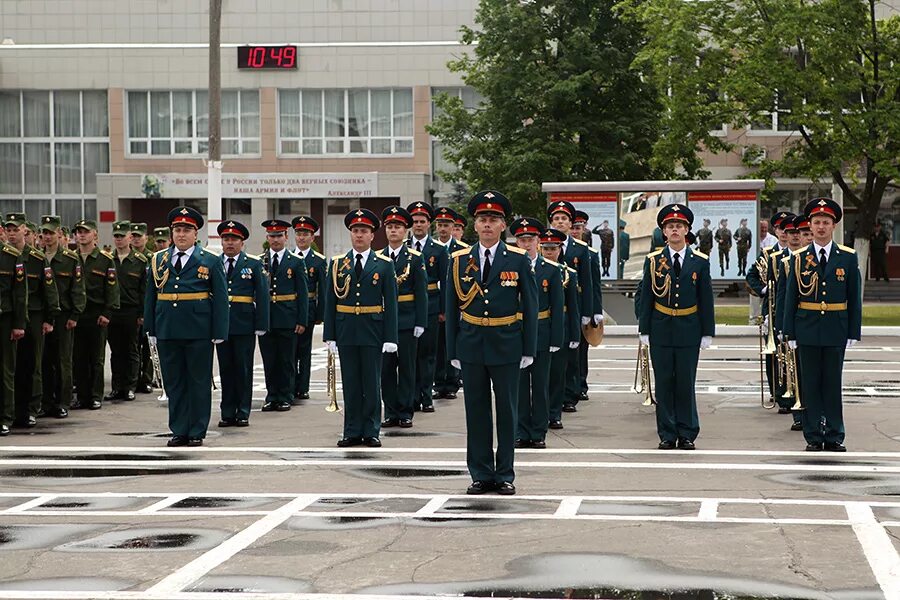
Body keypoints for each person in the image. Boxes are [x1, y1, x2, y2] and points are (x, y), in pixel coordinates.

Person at [446, 191, 537, 495]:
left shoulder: (519, 259)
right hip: (471, 344)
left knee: (508, 411)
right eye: (483, 219)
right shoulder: (459, 260)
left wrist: (528, 348)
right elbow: (449, 309)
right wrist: (453, 350)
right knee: (476, 410)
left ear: (503, 226)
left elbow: (531, 307)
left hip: (507, 343)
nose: (487, 225)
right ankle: (481, 473)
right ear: (475, 225)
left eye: (493, 220)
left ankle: (505, 473)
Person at [144, 207, 229, 447]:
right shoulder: (158, 259)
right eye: (177, 230)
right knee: (175, 382)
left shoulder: (209, 260)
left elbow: (221, 298)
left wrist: (219, 331)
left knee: (199, 381)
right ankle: (179, 428)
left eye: (186, 230)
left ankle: (196, 430)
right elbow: (150, 296)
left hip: (198, 329)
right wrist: (150, 328)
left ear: (195, 233)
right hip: (168, 328)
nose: (181, 235)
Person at [783, 198, 862, 452]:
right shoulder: (798, 258)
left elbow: (854, 297)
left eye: (825, 222)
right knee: (811, 384)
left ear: (834, 225)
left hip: (835, 329)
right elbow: (790, 298)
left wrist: (853, 330)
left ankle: (835, 434)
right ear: (810, 225)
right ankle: (814, 435)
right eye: (816, 222)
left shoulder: (847, 257)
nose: (820, 227)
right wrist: (789, 331)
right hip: (806, 327)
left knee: (832, 384)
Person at [638, 203, 715, 450]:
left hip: (689, 327)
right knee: (664, 382)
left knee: (685, 382)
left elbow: (706, 298)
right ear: (663, 232)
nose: (674, 230)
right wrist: (644, 330)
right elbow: (647, 297)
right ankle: (667, 433)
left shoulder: (700, 261)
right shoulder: (653, 260)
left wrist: (707, 331)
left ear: (687, 230)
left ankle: (688, 432)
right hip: (661, 327)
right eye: (670, 226)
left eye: (679, 226)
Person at [323, 208, 399, 448]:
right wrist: (330, 335)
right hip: (346, 330)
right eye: (355, 231)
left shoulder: (384, 265)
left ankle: (371, 429)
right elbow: (330, 302)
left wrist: (391, 336)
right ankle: (351, 430)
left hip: (372, 330)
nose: (359, 235)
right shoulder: (337, 264)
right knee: (351, 383)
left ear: (372, 236)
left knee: (371, 382)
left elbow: (391, 303)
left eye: (363, 231)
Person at [512, 218, 563, 449]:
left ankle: (539, 431)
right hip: (517, 331)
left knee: (541, 385)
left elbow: (557, 307)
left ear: (538, 242)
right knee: (519, 386)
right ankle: (522, 430)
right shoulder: (509, 267)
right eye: (522, 240)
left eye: (530, 239)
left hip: (542, 331)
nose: (526, 244)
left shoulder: (552, 269)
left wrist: (556, 338)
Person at [7, 213, 60, 427]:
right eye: (8, 230)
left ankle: (30, 408)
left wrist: (49, 319)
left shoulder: (38, 259)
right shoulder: (6, 256)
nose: (12, 234)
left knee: (32, 364)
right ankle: (9, 409)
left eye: (15, 229)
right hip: (11, 317)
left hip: (35, 316)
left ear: (25, 232)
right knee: (10, 366)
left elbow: (49, 291)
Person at [216, 220, 269, 428]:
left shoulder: (253, 264)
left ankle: (243, 411)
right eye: (226, 239)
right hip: (222, 324)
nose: (230, 243)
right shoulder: (215, 262)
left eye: (234, 239)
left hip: (244, 323)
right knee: (225, 369)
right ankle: (227, 411)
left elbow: (262, 296)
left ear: (242, 242)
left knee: (243, 369)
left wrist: (261, 323)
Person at [378, 205, 427, 429]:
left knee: (407, 368)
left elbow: (421, 293)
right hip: (385, 321)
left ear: (405, 230)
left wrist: (421, 322)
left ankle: (406, 411)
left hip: (407, 320)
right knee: (386, 369)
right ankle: (390, 411)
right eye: (390, 227)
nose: (393, 230)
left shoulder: (415, 258)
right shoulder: (378, 258)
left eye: (398, 226)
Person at [547, 200, 593, 413]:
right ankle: (554, 394)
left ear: (570, 223)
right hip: (549, 310)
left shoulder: (581, 249)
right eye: (556, 219)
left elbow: (588, 282)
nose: (560, 222)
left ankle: (571, 394)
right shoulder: (544, 245)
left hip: (573, 306)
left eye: (564, 219)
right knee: (553, 356)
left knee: (573, 355)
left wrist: (589, 312)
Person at [259, 219, 308, 412]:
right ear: (267, 238)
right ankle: (272, 396)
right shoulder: (260, 260)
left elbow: (302, 293)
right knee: (269, 360)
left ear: (286, 237)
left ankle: (286, 396)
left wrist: (301, 320)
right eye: (272, 236)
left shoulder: (295, 262)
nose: (275, 239)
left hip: (288, 317)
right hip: (267, 318)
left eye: (279, 235)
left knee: (287, 360)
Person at [746, 212, 794, 410]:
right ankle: (778, 392)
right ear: (775, 230)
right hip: (773, 310)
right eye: (781, 228)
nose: (784, 232)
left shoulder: (801, 252)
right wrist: (764, 289)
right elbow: (752, 276)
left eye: (788, 229)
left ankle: (792, 391)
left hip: (793, 311)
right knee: (774, 355)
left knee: (792, 354)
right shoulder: (767, 254)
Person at [40, 216, 85, 420]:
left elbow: (78, 289)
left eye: (51, 233)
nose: (47, 237)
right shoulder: (36, 256)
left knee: (62, 360)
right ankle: (46, 401)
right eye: (44, 233)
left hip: (64, 315)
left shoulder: (70, 259)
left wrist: (75, 314)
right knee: (43, 360)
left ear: (59, 233)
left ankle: (62, 402)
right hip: (42, 316)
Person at [72, 219, 119, 410]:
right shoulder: (71, 258)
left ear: (95, 235)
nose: (81, 235)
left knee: (96, 359)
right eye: (79, 232)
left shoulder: (105, 259)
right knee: (78, 357)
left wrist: (107, 312)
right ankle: (82, 396)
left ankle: (95, 395)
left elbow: (112, 288)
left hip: (96, 314)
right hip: (76, 314)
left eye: (86, 231)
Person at [406, 201, 448, 412]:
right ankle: (412, 396)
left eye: (422, 221)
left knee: (428, 354)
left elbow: (446, 282)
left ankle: (426, 395)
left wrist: (443, 310)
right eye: (415, 222)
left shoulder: (438, 250)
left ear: (429, 224)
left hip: (431, 304)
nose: (418, 225)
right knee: (409, 355)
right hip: (408, 306)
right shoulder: (404, 247)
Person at [539, 228, 580, 431]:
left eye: (553, 248)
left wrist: (574, 333)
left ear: (559, 249)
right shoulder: (531, 269)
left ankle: (554, 414)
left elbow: (573, 307)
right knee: (539, 376)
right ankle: (539, 413)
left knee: (557, 374)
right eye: (545, 248)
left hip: (561, 326)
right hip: (540, 325)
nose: (549, 252)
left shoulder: (568, 273)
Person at [774, 215, 811, 432]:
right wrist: (781, 328)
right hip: (797, 325)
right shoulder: (789, 263)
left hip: (818, 325)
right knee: (796, 371)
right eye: (803, 234)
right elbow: (782, 299)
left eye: (807, 234)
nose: (805, 238)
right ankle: (799, 415)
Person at [105, 220, 147, 403]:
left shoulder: (139, 261)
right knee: (116, 351)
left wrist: (142, 314)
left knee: (131, 349)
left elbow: (144, 290)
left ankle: (130, 386)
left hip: (131, 311)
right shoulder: (108, 260)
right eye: (116, 236)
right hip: (113, 310)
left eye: (122, 236)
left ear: (129, 237)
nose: (119, 240)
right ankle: (117, 386)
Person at [433, 206, 469, 400]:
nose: (443, 228)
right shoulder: (432, 248)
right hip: (437, 303)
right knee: (439, 345)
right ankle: (439, 383)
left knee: (454, 342)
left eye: (447, 225)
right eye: (440, 224)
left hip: (459, 302)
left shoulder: (463, 250)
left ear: (454, 226)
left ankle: (453, 382)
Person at [291, 215, 327, 402]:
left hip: (310, 308)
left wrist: (321, 315)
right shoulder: (288, 257)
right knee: (289, 350)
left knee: (304, 350)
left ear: (313, 238)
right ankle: (290, 385)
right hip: (289, 308)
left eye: (306, 234)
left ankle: (302, 386)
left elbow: (324, 290)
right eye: (299, 234)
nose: (302, 238)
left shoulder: (318, 261)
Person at [0, 232, 27, 436]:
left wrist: (18, 324)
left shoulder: (11, 256)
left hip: (5, 319)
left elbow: (19, 293)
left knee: (5, 370)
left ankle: (4, 417)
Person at [130, 222, 155, 395]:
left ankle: (146, 379)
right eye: (134, 236)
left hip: (146, 308)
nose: (137, 239)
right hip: (130, 309)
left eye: (140, 236)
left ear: (146, 238)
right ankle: (131, 380)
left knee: (146, 348)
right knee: (131, 347)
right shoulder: (126, 257)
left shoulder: (152, 258)